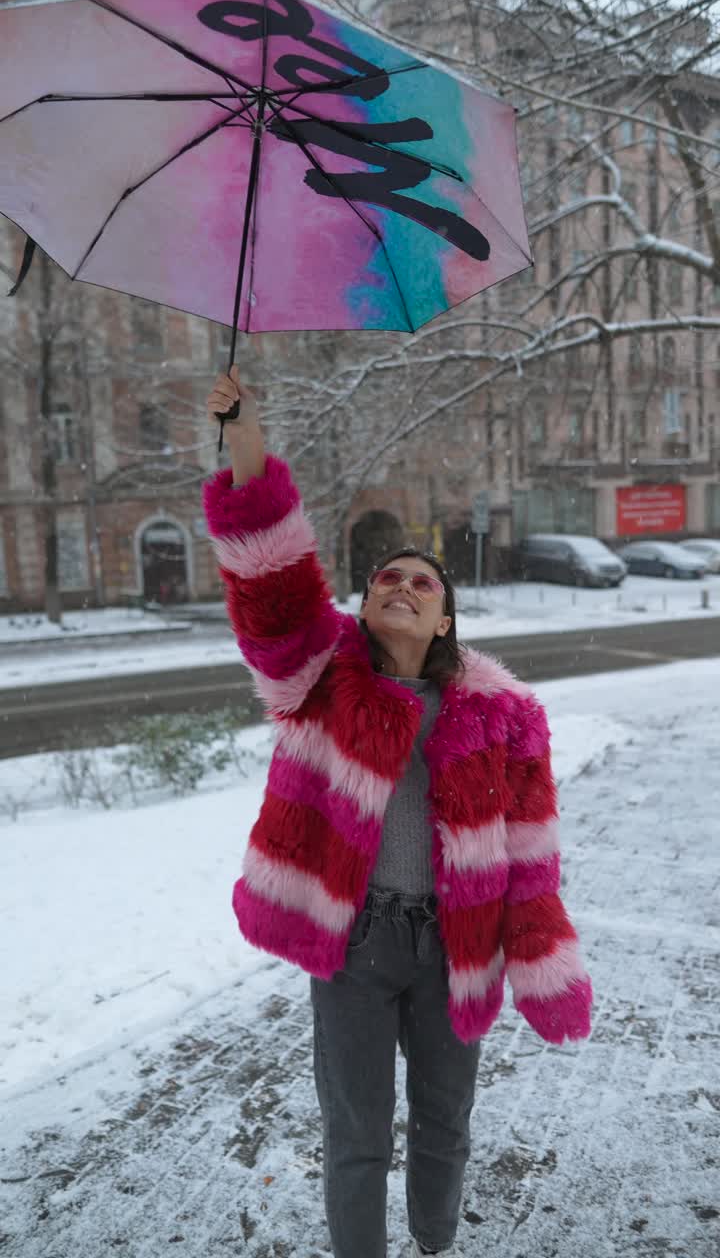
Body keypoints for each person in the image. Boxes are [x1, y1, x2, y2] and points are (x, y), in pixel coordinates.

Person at [203, 368, 593, 1258]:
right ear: (365, 603)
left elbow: (532, 857)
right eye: (387, 577)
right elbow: (272, 588)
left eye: (423, 581)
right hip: (356, 944)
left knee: (445, 1123)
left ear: (446, 619)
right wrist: (245, 440)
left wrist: (542, 959)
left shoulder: (504, 717)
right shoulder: (319, 679)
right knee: (357, 1134)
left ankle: (434, 1242)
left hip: (460, 946)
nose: (402, 586)